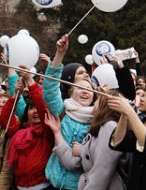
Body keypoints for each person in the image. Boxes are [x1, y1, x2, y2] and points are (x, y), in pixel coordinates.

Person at [43, 35, 95, 190]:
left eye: (89, 89)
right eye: (80, 88)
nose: (85, 92)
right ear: (71, 92)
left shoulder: (98, 119)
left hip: (78, 186)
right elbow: (50, 88)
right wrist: (60, 54)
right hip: (53, 182)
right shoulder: (62, 111)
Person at [48, 89, 124, 190]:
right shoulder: (99, 126)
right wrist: (57, 132)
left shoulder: (109, 127)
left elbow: (102, 172)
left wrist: (82, 150)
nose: (95, 101)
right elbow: (71, 161)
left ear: (105, 104)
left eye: (99, 98)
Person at [0, 66, 54, 189]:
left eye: (36, 108)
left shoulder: (48, 131)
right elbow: (5, 120)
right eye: (30, 108)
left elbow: (41, 107)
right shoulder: (20, 131)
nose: (35, 112)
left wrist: (29, 80)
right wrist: (15, 96)